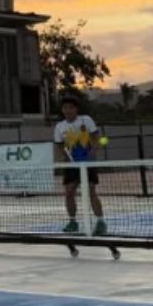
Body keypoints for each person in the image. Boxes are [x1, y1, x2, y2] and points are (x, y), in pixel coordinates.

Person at [53, 97, 106, 235]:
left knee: (90, 192)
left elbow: (96, 135)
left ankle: (100, 222)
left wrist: (93, 150)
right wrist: (64, 157)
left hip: (87, 163)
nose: (68, 110)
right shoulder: (60, 127)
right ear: (62, 110)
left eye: (71, 107)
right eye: (65, 108)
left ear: (76, 109)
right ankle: (72, 222)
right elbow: (59, 145)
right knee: (69, 192)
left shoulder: (85, 120)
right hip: (71, 165)